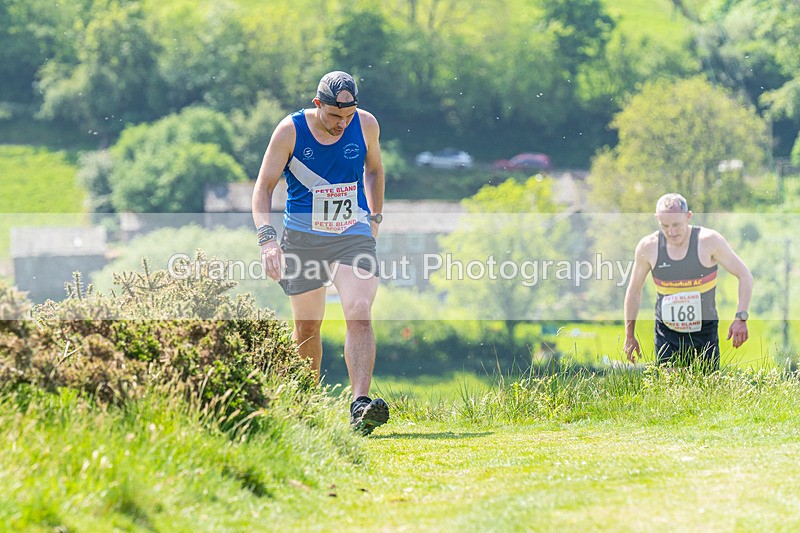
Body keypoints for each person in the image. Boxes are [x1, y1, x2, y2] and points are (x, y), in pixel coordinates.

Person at [251, 71, 389, 434]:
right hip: (303, 239)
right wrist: (267, 239)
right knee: (308, 327)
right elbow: (263, 188)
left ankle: (360, 405)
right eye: (334, 116)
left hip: (352, 233)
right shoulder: (290, 131)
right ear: (317, 105)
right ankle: (305, 407)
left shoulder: (366, 125)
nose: (342, 124)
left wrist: (375, 215)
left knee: (359, 310)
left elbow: (374, 170)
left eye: (348, 116)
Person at [623, 193, 753, 370]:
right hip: (667, 334)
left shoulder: (709, 241)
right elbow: (634, 290)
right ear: (657, 219)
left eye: (676, 224)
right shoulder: (648, 247)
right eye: (665, 226)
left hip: (704, 333)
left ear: (688, 216)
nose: (671, 232)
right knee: (669, 386)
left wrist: (741, 318)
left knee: (706, 386)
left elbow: (745, 275)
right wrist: (629, 335)